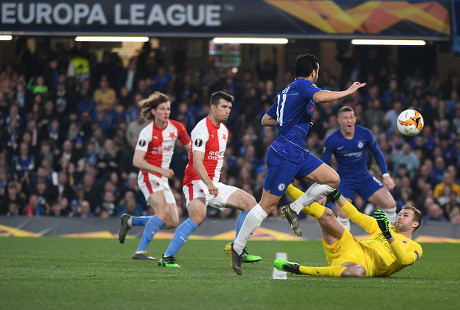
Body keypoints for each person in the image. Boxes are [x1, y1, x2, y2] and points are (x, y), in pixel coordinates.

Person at [228, 53, 365, 275]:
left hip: (297, 152)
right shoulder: (304, 86)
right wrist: (347, 92)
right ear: (313, 72)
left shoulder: (285, 91)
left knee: (333, 179)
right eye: (317, 72)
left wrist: (293, 120)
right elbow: (320, 97)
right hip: (284, 154)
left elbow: (265, 119)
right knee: (265, 206)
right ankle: (237, 247)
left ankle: (294, 208)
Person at [159, 91, 261, 268]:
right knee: (198, 216)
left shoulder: (224, 131)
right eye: (223, 106)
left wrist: (213, 183)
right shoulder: (201, 129)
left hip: (213, 183)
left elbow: (215, 160)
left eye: (229, 107)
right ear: (212, 107)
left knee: (250, 203)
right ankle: (167, 257)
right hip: (195, 181)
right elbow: (197, 162)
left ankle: (238, 249)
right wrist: (209, 184)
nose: (227, 111)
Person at [273, 185, 422, 277]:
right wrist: (337, 195)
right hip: (350, 245)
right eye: (400, 214)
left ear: (415, 224)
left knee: (358, 273)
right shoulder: (385, 226)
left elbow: (404, 260)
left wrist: (388, 235)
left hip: (357, 265)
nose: (400, 217)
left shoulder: (415, 248)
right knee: (327, 214)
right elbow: (355, 215)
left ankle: (299, 269)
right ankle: (286, 184)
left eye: (406, 215)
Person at [118, 91, 191, 260]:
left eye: (168, 109)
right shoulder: (147, 132)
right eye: (162, 109)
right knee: (162, 211)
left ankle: (130, 221)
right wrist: (161, 171)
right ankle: (140, 251)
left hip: (162, 179)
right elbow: (137, 161)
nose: (166, 112)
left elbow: (192, 149)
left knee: (172, 221)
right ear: (153, 112)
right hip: (148, 177)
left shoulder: (177, 128)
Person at [321, 105, 396, 230]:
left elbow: (377, 153)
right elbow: (324, 166)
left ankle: (388, 240)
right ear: (339, 120)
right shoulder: (332, 140)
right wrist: (322, 191)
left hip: (364, 177)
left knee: (390, 204)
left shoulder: (365, 134)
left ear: (355, 119)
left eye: (351, 117)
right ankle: (344, 247)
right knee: (343, 213)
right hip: (344, 180)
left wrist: (386, 176)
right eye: (345, 118)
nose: (349, 121)